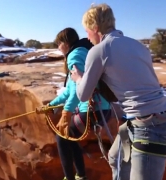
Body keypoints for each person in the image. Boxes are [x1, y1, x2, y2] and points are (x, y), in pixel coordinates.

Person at [70, 3, 166, 180]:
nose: (87, 37)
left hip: (148, 128)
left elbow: (83, 95)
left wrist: (78, 78)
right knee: (116, 158)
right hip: (150, 120)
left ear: (95, 28)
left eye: (87, 31)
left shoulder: (99, 50)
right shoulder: (138, 46)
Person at [47, 27, 111, 180]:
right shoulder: (84, 52)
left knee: (62, 137)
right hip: (103, 108)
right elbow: (70, 90)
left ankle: (70, 177)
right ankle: (80, 176)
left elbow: (78, 89)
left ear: (66, 43)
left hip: (92, 109)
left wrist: (66, 112)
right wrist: (51, 105)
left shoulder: (74, 56)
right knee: (71, 137)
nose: (58, 47)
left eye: (59, 43)